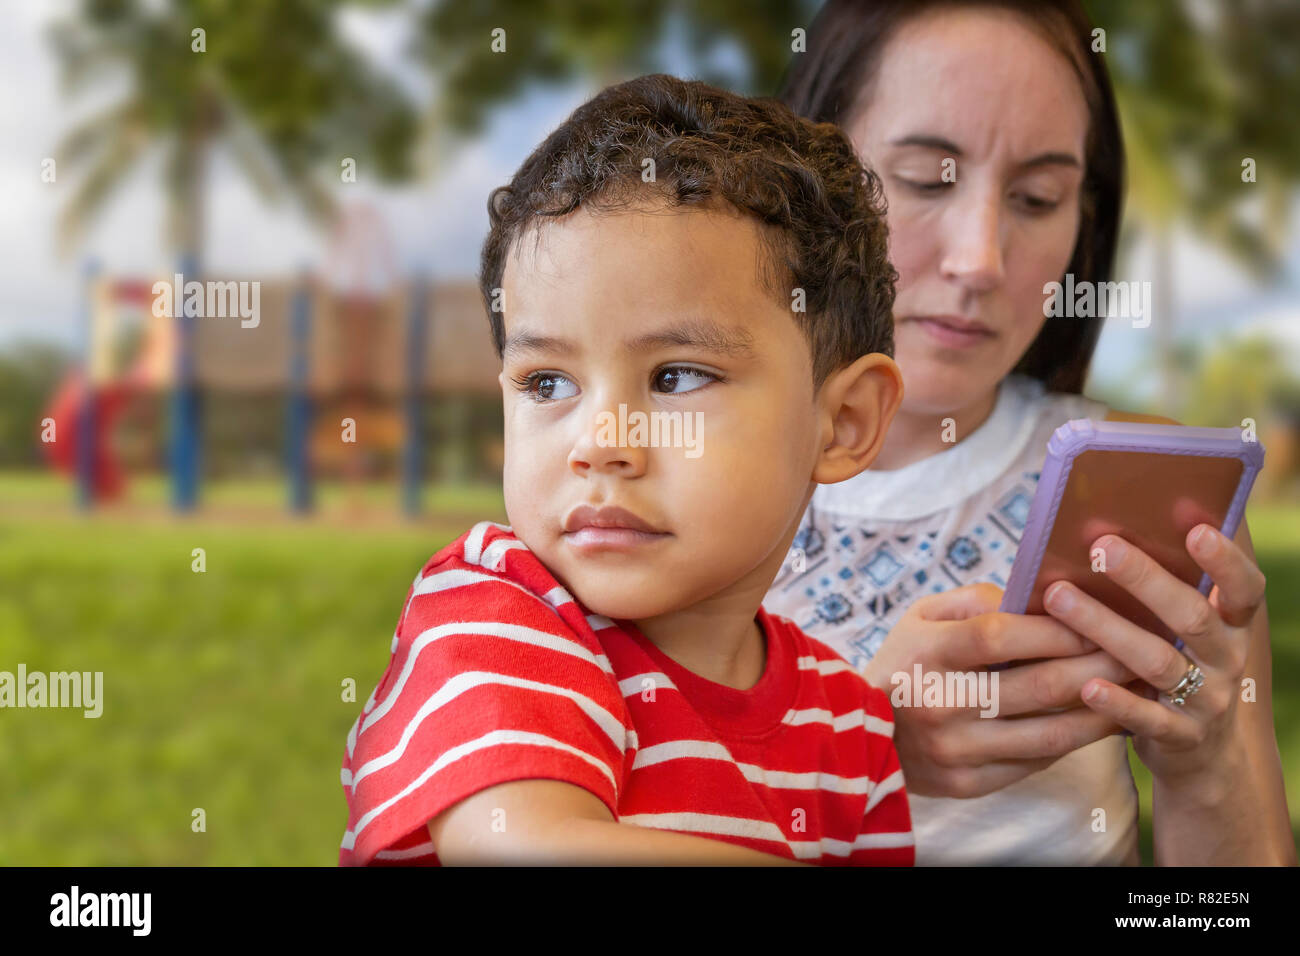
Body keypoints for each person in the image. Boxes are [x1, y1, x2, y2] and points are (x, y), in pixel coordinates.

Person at [764, 0, 1295, 865]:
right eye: (929, 179)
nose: (981, 258)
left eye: (1037, 197)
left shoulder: (1146, 494)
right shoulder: (664, 478)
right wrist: (854, 751)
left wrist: (1211, 768)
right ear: (806, 182)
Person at [338, 73, 915, 865]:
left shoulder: (850, 728)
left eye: (676, 376)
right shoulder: (496, 614)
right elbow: (522, 847)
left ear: (842, 423)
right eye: (548, 383)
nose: (599, 442)